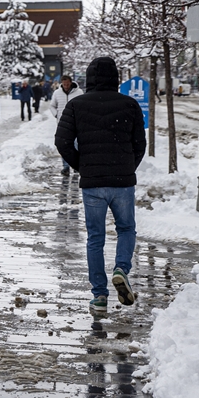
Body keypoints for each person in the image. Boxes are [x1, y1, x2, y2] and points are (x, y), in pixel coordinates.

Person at [54, 57, 146, 317]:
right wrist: (128, 167)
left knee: (95, 238)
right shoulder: (130, 104)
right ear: (116, 77)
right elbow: (140, 143)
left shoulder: (76, 104)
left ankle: (99, 296)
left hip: (93, 183)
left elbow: (62, 142)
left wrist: (82, 166)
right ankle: (121, 270)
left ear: (89, 77)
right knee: (126, 228)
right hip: (123, 181)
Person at [50, 74, 81, 174]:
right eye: (64, 84)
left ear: (71, 82)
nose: (66, 86)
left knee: (76, 144)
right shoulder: (57, 93)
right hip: (62, 123)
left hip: (76, 123)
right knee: (64, 145)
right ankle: (66, 167)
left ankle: (76, 165)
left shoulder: (79, 92)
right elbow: (52, 106)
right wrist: (56, 115)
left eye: (67, 84)